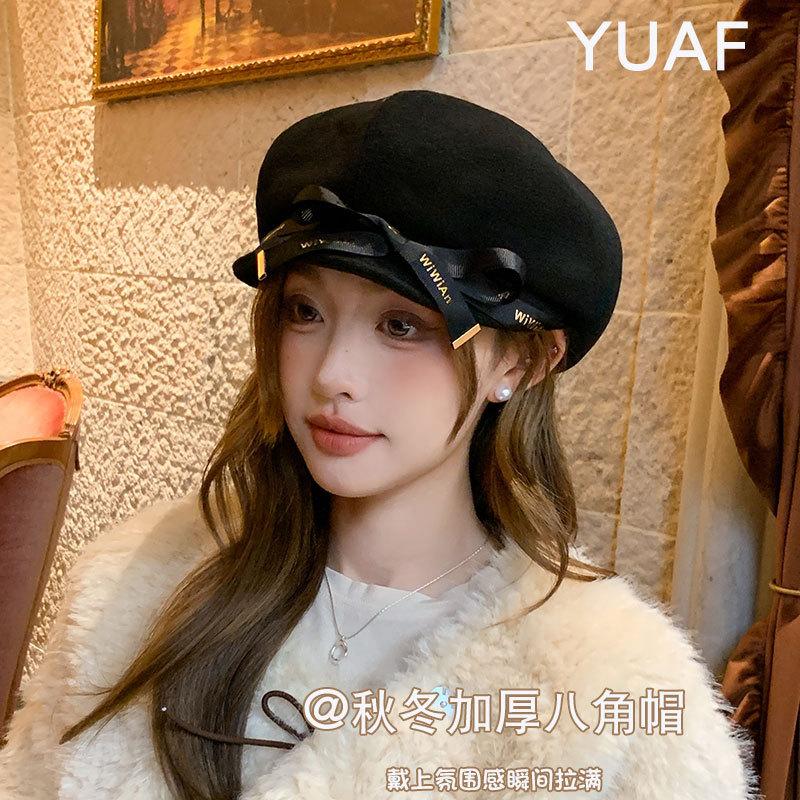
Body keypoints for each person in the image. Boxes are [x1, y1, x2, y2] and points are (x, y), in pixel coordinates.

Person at [0, 90, 761, 800]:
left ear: (520, 363)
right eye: (305, 311)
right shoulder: (131, 589)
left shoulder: (615, 699)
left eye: (401, 326)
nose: (332, 374)